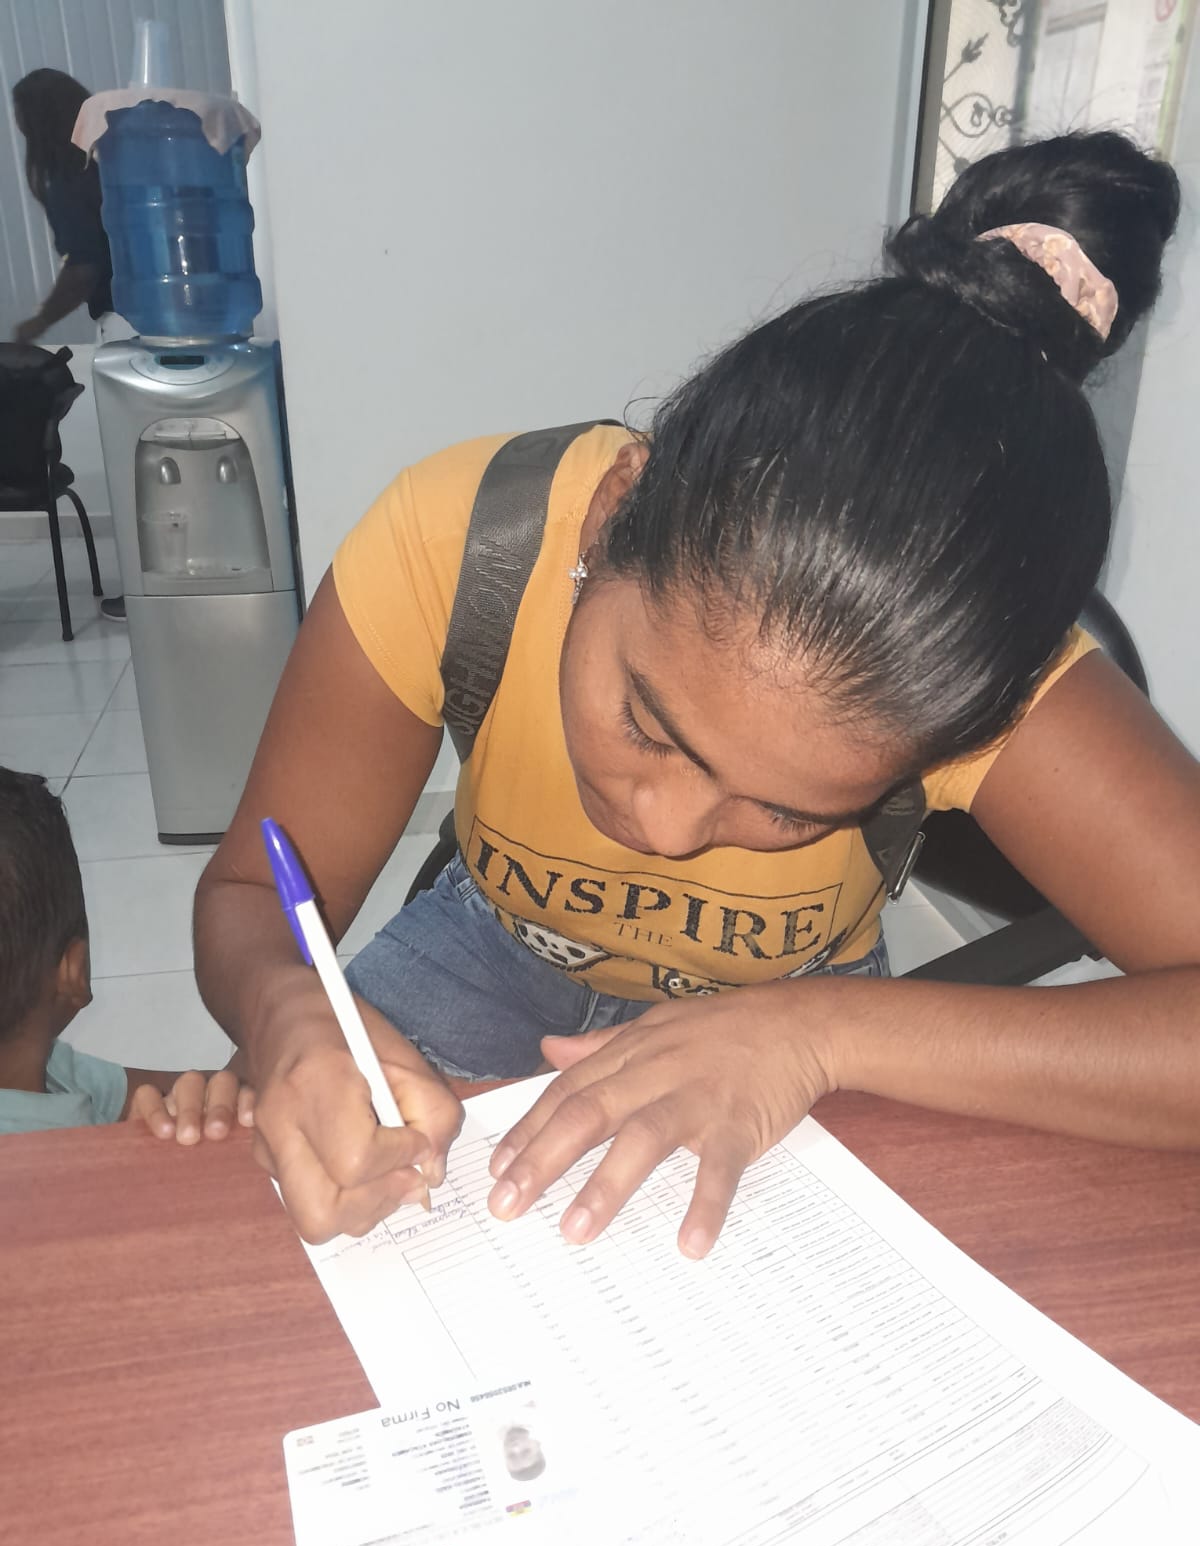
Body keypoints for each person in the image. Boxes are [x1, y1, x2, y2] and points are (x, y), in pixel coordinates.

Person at [194, 131, 1200, 1259]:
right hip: (490, 948)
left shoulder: (972, 676)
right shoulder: (462, 540)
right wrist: (284, 1008)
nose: (667, 833)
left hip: (797, 998)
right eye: (648, 722)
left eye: (791, 810)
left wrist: (822, 1033)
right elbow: (249, 891)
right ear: (612, 511)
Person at [0, 767, 252, 1139]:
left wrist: (217, 1096)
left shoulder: (47, 1067)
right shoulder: (49, 1155)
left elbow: (170, 1091)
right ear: (73, 973)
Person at [11, 67, 126, 623]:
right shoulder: (113, 160)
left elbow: (84, 267)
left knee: (133, 464)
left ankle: (149, 594)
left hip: (125, 323)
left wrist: (36, 323)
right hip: (163, 313)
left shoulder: (70, 175)